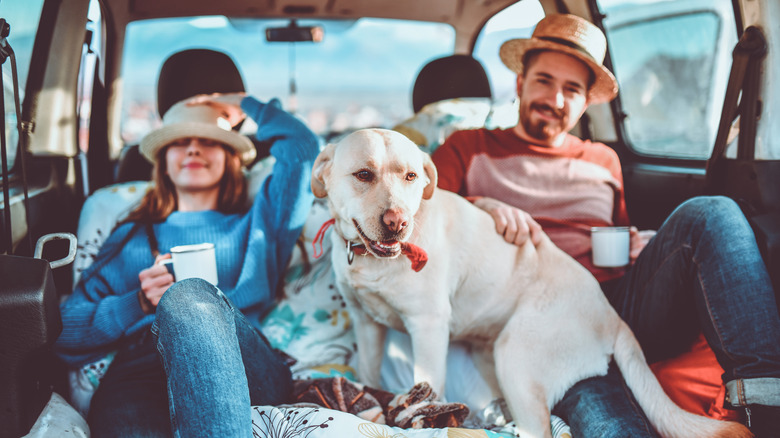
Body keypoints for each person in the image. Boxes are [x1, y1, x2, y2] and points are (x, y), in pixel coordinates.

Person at [430, 13, 780, 438]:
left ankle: (766, 408)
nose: (556, 99)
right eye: (544, 81)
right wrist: (480, 205)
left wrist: (641, 246)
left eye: (571, 89)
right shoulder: (467, 147)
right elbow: (425, 208)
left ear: (586, 102)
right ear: (520, 84)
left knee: (712, 212)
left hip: (616, 301)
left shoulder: (603, 160)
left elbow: (619, 238)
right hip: (538, 315)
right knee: (611, 425)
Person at [55, 93, 320, 437]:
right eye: (181, 142)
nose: (194, 150)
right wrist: (137, 302)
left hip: (241, 363)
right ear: (164, 161)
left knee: (188, 296)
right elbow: (63, 332)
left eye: (209, 141)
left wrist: (240, 101)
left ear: (230, 158)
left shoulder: (261, 222)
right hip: (141, 373)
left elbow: (301, 146)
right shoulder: (131, 235)